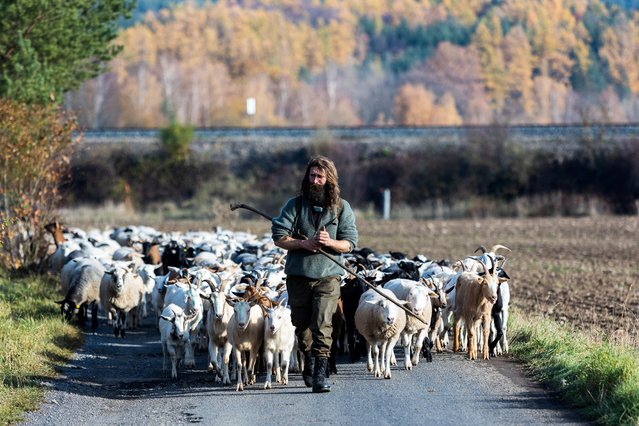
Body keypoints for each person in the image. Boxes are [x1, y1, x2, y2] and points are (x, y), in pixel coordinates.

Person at [271, 156, 358, 393]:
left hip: (328, 276)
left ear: (329, 179)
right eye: (312, 176)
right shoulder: (295, 205)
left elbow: (350, 243)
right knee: (302, 325)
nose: (315, 181)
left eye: (320, 176)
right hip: (298, 276)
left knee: (322, 322)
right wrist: (303, 244)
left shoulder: (341, 208)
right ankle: (308, 359)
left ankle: (321, 373)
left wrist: (331, 242)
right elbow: (279, 236)